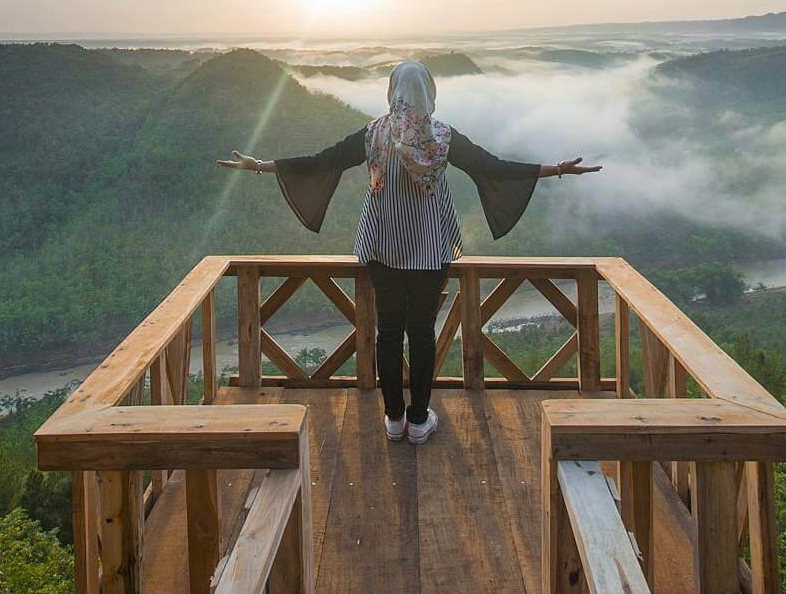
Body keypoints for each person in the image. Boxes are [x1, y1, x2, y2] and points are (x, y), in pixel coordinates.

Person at [218, 60, 601, 445]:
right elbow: (494, 169)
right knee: (421, 333)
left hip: (382, 248)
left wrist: (260, 167)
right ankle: (419, 420)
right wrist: (556, 170)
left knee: (387, 333)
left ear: (392, 91)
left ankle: (393, 419)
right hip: (430, 250)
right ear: (430, 92)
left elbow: (322, 162)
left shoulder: (374, 134)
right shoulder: (444, 137)